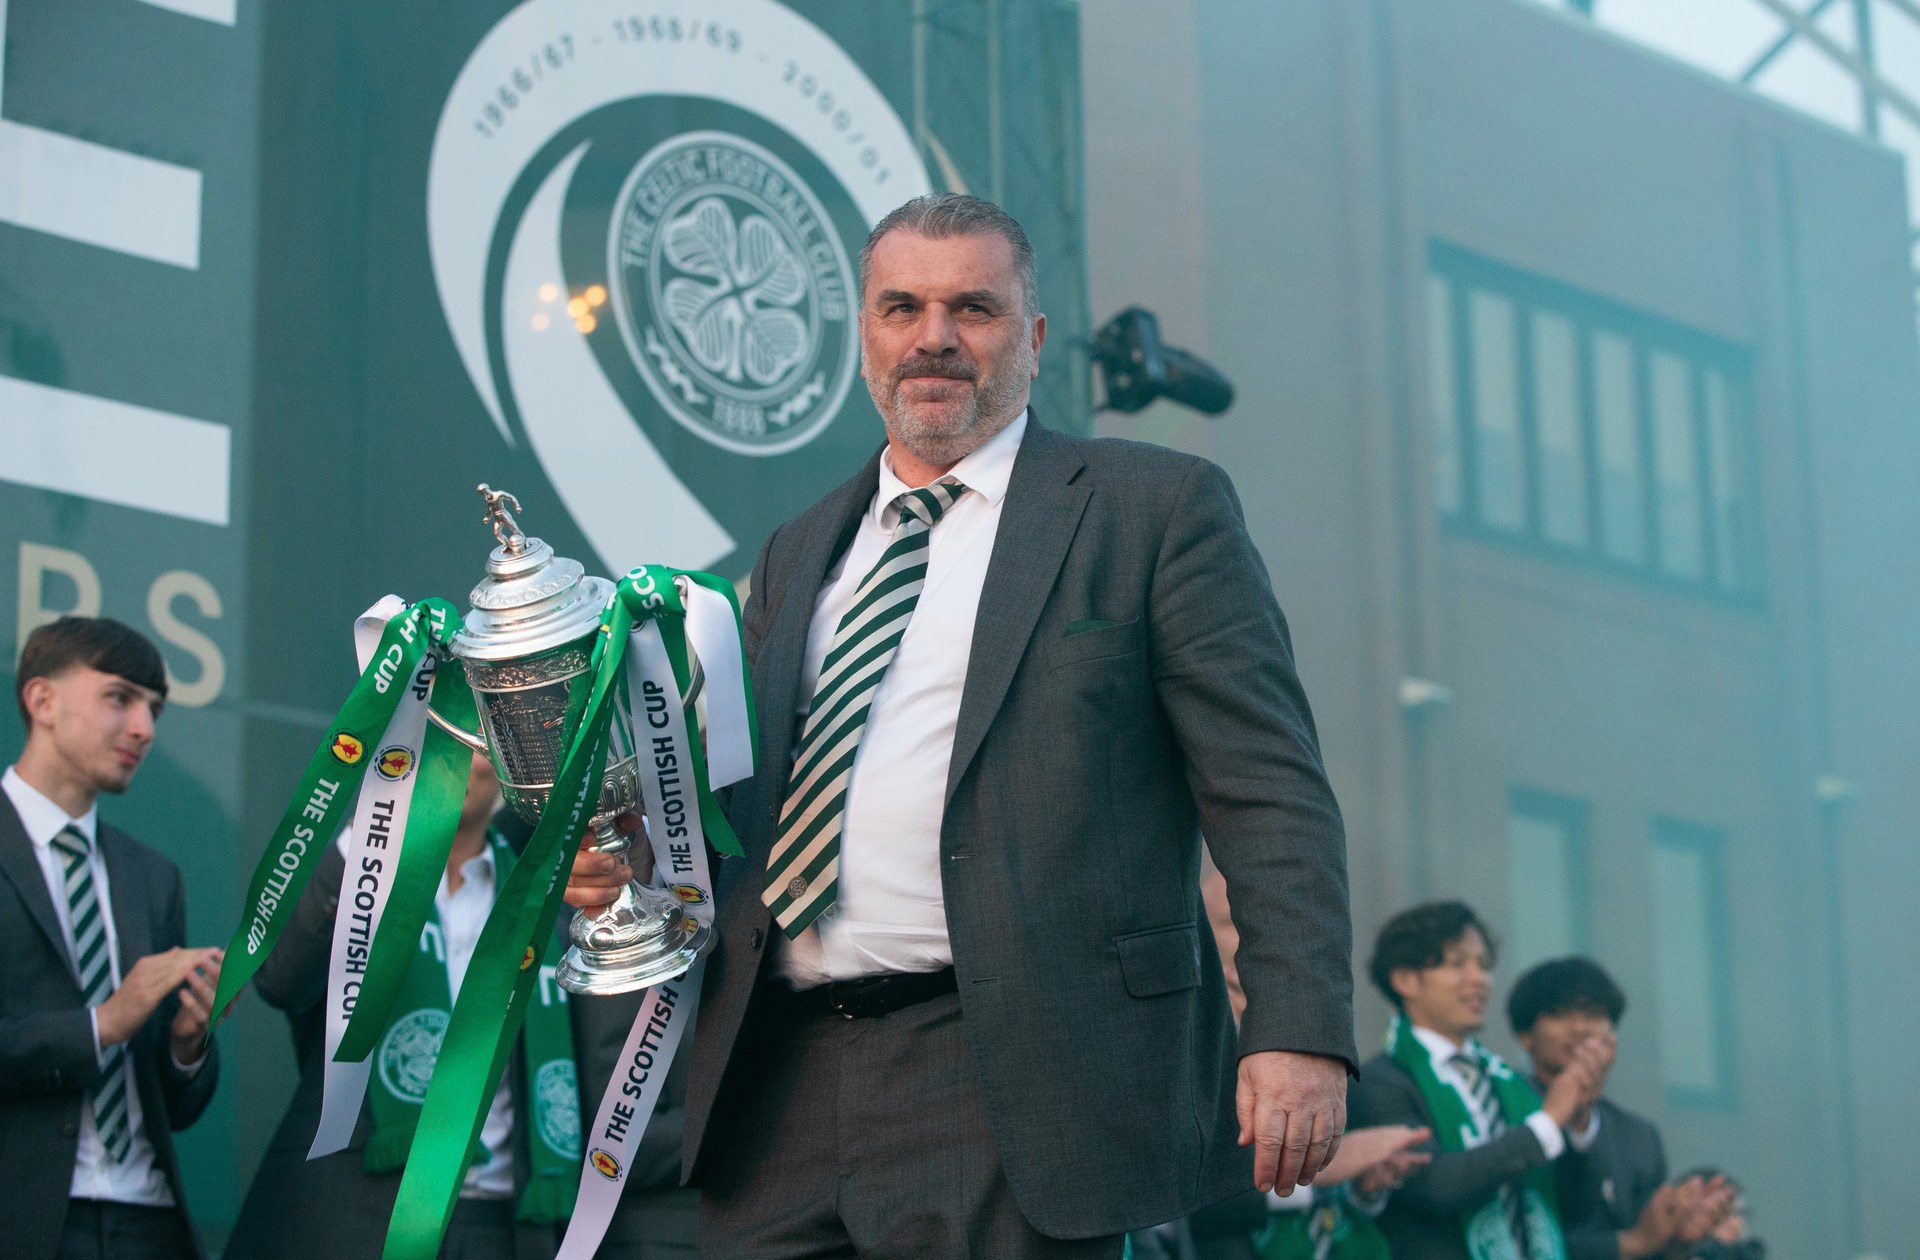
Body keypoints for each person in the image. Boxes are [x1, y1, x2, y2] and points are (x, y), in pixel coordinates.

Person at [566, 192, 1357, 1258]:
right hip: (774, 1081)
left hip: (1015, 1077)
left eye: (972, 309)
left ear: (1030, 341)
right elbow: (750, 809)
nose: (933, 337)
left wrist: (1298, 1029)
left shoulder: (1152, 509)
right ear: (865, 340)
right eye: (901, 307)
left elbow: (1272, 793)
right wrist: (639, 866)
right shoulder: (800, 549)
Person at [228, 751, 579, 1259]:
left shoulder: (543, 902)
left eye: (472, 735)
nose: (454, 755)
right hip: (352, 1213)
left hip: (495, 1224)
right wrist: (369, 832)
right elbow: (280, 980)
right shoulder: (358, 876)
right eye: (437, 730)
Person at [0, 616, 223, 1260]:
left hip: (148, 1222)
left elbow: (175, 1107)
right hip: (27, 1218)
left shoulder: (153, 877)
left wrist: (186, 1047)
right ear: (41, 700)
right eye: (119, 698)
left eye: (154, 709)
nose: (144, 730)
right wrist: (102, 1023)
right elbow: (108, 1026)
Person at [1348, 901, 1608, 1260]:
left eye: (1484, 965)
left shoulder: (1512, 1084)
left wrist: (1577, 1122)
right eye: (1458, 964)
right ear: (1405, 979)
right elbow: (1436, 1186)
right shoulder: (1381, 1081)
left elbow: (1576, 1209)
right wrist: (1548, 1123)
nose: (1479, 979)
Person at [1509, 957, 1733, 1260]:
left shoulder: (1639, 1137)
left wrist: (1675, 1241)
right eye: (1560, 1013)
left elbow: (1648, 1247)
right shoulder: (1503, 1113)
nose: (1580, 1028)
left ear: (1612, 1035)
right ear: (1525, 1036)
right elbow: (1510, 1239)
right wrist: (1630, 1242)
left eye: (1594, 1014)